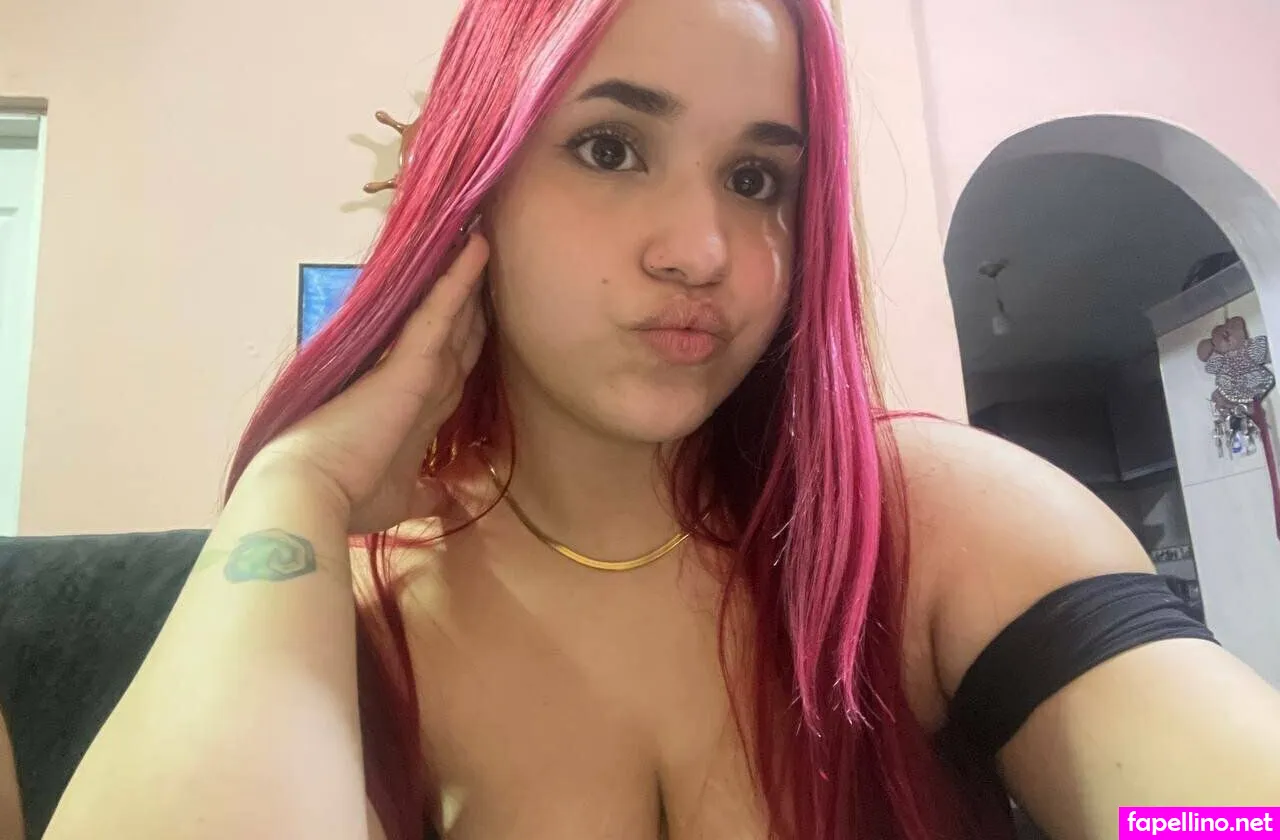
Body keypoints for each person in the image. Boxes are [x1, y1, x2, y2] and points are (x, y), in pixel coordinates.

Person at [30, 0, 1280, 838]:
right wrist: (296, 483)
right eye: (610, 148)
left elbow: (1217, 812)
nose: (701, 251)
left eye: (755, 177)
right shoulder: (337, 621)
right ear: (474, 183)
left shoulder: (927, 522)